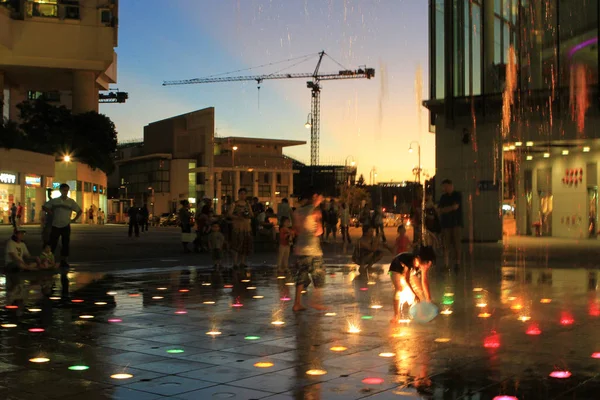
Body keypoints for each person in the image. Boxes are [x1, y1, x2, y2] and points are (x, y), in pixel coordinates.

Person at [292, 188, 326, 312]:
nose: (321, 200)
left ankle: (297, 303)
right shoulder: (315, 211)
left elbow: (296, 230)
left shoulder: (297, 212)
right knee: (319, 274)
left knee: (301, 276)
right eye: (320, 197)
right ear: (315, 196)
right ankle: (316, 302)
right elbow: (319, 231)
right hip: (313, 249)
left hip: (300, 248)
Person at [389, 246, 436, 324]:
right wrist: (414, 294)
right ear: (418, 258)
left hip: (409, 273)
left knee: (419, 290)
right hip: (395, 270)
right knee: (399, 289)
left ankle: (422, 313)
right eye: (424, 263)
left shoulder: (425, 263)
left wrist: (428, 299)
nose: (425, 265)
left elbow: (424, 280)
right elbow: (406, 280)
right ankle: (396, 315)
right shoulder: (409, 260)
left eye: (427, 263)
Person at [42, 183, 82, 268]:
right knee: (53, 243)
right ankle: (50, 260)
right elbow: (44, 206)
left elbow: (79, 210)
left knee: (65, 243)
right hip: (55, 224)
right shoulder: (55, 201)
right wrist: (50, 212)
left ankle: (64, 261)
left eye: (67, 190)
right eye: (64, 190)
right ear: (60, 190)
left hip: (66, 225)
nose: (66, 192)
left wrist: (74, 219)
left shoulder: (71, 201)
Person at [438, 179, 462, 269]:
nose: (444, 188)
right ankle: (446, 264)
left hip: (456, 223)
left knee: (456, 244)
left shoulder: (457, 195)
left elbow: (455, 207)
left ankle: (457, 263)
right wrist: (450, 208)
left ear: (450, 185)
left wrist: (445, 209)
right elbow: (440, 210)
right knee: (446, 244)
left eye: (445, 186)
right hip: (446, 224)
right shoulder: (443, 197)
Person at [229, 188, 253, 268]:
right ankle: (235, 263)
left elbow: (252, 214)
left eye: (244, 194)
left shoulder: (247, 204)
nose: (243, 195)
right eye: (241, 194)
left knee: (245, 245)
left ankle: (242, 262)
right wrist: (237, 216)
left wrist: (247, 215)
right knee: (236, 244)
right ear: (238, 194)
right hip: (237, 226)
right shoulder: (234, 204)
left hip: (246, 226)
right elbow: (229, 214)